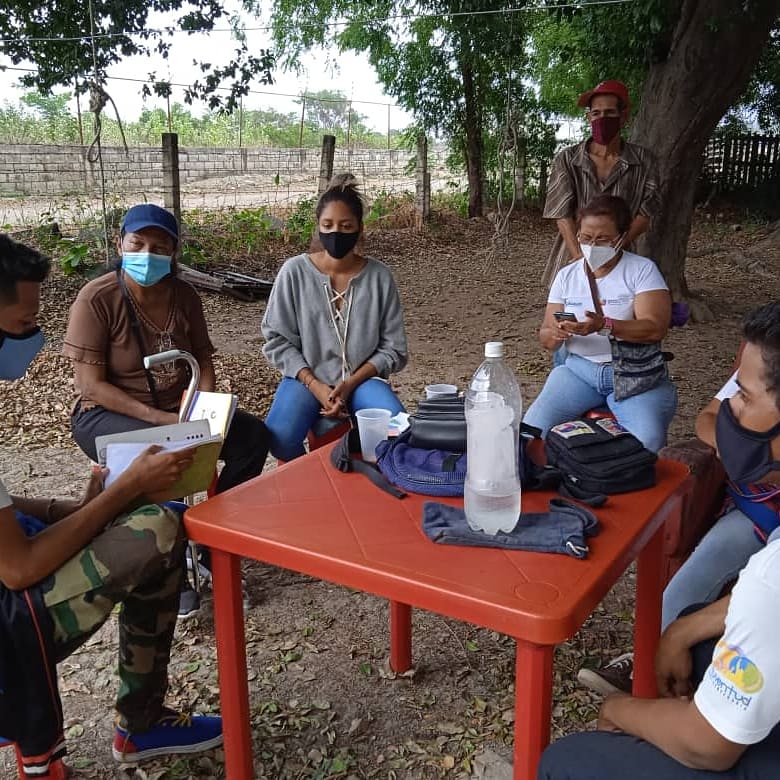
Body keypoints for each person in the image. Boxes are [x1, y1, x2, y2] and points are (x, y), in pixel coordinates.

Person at [0, 234, 222, 774]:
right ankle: (133, 724)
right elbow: (18, 568)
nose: (34, 337)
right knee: (162, 528)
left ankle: (140, 722)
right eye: (23, 324)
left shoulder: (182, 298)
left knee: (149, 520)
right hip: (8, 610)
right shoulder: (101, 299)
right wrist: (125, 488)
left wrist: (70, 509)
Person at [63, 204, 271, 616]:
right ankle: (166, 567)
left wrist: (203, 407)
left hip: (178, 409)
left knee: (252, 438)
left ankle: (210, 544)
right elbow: (91, 385)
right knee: (156, 457)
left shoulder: (184, 295)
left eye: (159, 248)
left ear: (174, 252)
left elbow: (203, 359)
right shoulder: (97, 298)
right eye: (137, 244)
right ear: (120, 244)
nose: (147, 255)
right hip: (105, 412)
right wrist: (167, 423)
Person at [579, 301, 780, 697]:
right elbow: (708, 418)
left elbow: (767, 594)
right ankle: (646, 662)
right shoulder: (763, 362)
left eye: (744, 397)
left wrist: (685, 633)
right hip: (756, 511)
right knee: (684, 590)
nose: (733, 406)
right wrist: (738, 447)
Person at [538, 538, 780, 779]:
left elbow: (708, 748)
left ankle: (688, 729)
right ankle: (689, 726)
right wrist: (681, 632)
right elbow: (762, 603)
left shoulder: (770, 575)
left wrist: (616, 709)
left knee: (565, 762)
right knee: (697, 639)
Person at [262, 174, 408, 461]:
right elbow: (276, 339)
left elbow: (394, 348)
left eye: (346, 226)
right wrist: (315, 385)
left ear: (359, 228)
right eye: (328, 225)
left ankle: (367, 479)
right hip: (306, 379)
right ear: (318, 226)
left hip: (364, 381)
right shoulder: (294, 272)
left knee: (398, 430)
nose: (336, 233)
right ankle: (309, 478)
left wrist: (350, 383)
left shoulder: (379, 277)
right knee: (279, 438)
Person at [523, 194, 677, 453]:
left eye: (603, 239)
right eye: (586, 238)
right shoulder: (567, 276)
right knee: (530, 434)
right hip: (579, 372)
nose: (593, 246)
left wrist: (605, 325)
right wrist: (556, 334)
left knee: (647, 443)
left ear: (622, 236)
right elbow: (546, 336)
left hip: (632, 374)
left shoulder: (641, 270)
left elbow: (655, 328)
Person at [541, 80, 660, 289]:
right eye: (596, 113)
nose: (602, 118)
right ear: (589, 117)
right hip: (574, 252)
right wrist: (580, 257)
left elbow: (646, 213)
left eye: (609, 112)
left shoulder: (644, 161)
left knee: (619, 305)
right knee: (570, 306)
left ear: (623, 116)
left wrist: (615, 248)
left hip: (622, 255)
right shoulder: (568, 159)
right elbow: (561, 213)